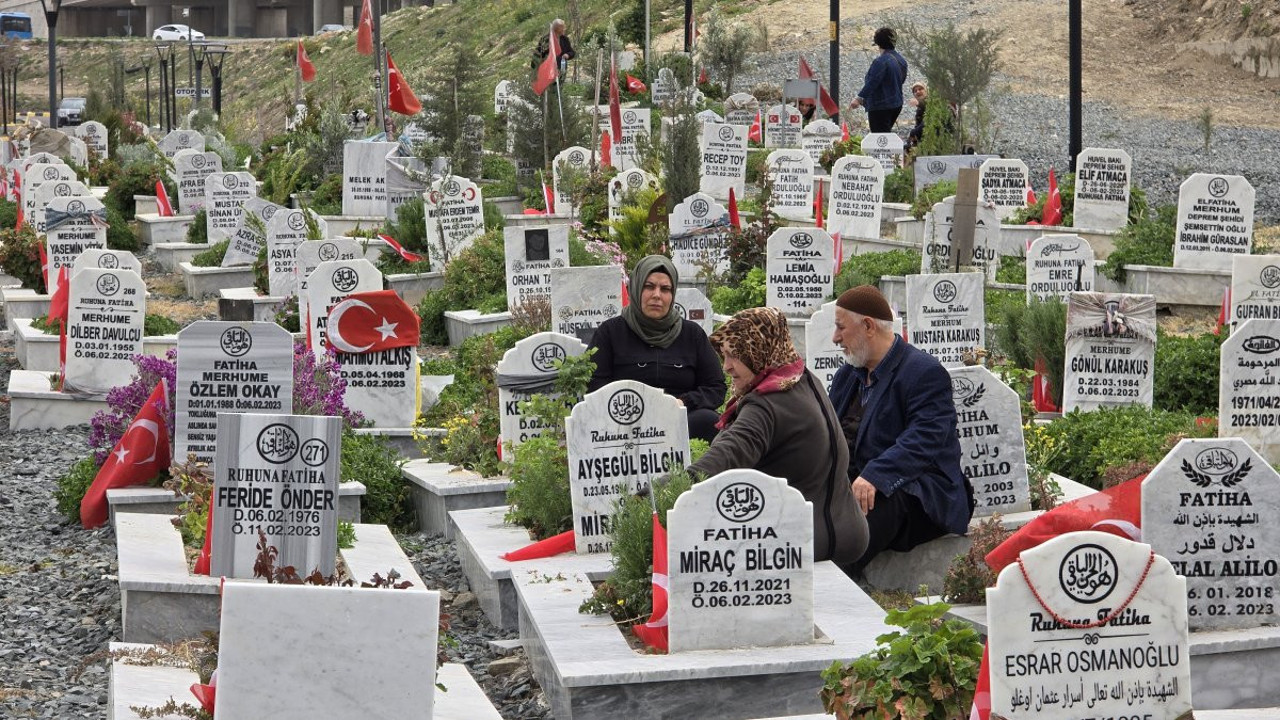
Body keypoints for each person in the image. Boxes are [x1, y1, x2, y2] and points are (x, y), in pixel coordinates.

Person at [688, 307, 868, 565]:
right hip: (843, 526)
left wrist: (665, 491)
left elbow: (727, 455)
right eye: (724, 356)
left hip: (801, 541)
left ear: (757, 351)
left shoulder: (766, 404)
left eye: (734, 356)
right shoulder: (801, 377)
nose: (726, 366)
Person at [827, 285, 974, 576]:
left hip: (917, 493)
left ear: (868, 326)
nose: (835, 337)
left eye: (841, 327)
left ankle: (833, 588)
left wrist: (875, 475)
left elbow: (924, 439)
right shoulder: (848, 376)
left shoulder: (923, 372)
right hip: (856, 485)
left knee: (866, 514)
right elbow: (829, 434)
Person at [587, 256, 726, 443]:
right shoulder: (611, 332)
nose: (657, 295)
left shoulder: (692, 334)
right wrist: (633, 407)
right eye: (649, 286)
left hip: (680, 419)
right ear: (636, 288)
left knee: (708, 421)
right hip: (624, 424)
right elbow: (595, 386)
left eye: (665, 289)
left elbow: (715, 387)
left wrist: (683, 402)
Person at [848, 27, 908, 134]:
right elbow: (901, 80)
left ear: (877, 43)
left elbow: (872, 82)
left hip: (880, 107)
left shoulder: (880, 62)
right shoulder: (901, 60)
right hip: (897, 104)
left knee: (879, 138)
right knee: (886, 135)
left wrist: (858, 99)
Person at [906, 82, 927, 149]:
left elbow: (925, 104)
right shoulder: (919, 109)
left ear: (926, 91)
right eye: (915, 91)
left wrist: (913, 133)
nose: (918, 92)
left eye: (920, 89)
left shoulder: (931, 102)